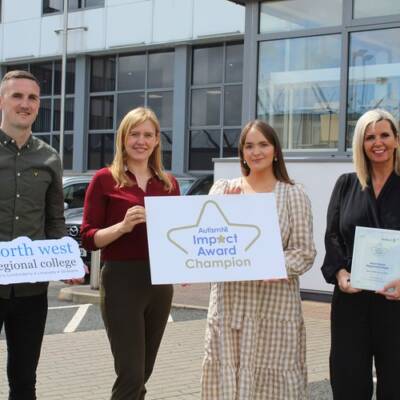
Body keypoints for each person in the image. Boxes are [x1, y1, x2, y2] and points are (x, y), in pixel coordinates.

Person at [201, 120, 316, 400]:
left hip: (273, 308)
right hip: (230, 307)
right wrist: (226, 212)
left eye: (263, 144)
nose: (256, 152)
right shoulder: (223, 190)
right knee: (225, 384)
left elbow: (304, 252)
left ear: (275, 150)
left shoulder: (292, 194)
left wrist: (270, 264)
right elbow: (204, 243)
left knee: (274, 387)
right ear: (242, 153)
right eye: (249, 146)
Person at [81, 107, 180, 400]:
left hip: (160, 283)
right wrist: (122, 227)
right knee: (131, 374)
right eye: (134, 134)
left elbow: (179, 236)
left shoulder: (168, 183)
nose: (141, 141)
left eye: (148, 135)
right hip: (121, 281)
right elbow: (89, 238)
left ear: (157, 140)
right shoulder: (104, 179)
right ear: (123, 138)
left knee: (143, 372)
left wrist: (185, 265)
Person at [321, 108, 400, 400]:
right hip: (351, 301)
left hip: (396, 303)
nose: (378, 143)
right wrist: (340, 273)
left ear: (396, 140)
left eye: (384, 135)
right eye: (370, 137)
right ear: (361, 143)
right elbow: (332, 236)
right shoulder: (346, 184)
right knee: (349, 382)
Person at [0, 70, 67, 399]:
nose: (25, 104)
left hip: (31, 289)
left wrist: (67, 261)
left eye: (32, 98)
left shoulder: (50, 157)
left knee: (24, 380)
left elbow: (55, 220)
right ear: (2, 101)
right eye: (17, 96)